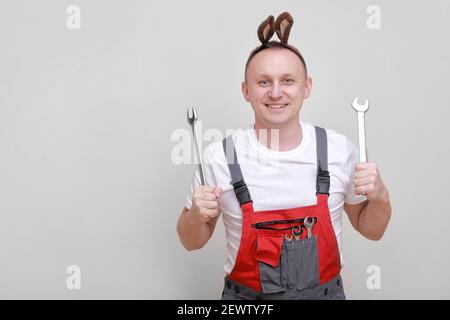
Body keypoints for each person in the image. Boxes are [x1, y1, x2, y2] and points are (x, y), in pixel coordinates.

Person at [176, 11, 391, 300]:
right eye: (263, 82)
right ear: (246, 91)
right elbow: (192, 241)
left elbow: (372, 230)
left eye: (288, 80)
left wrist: (380, 197)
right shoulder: (219, 157)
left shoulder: (339, 150)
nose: (276, 92)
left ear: (307, 87)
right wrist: (195, 217)